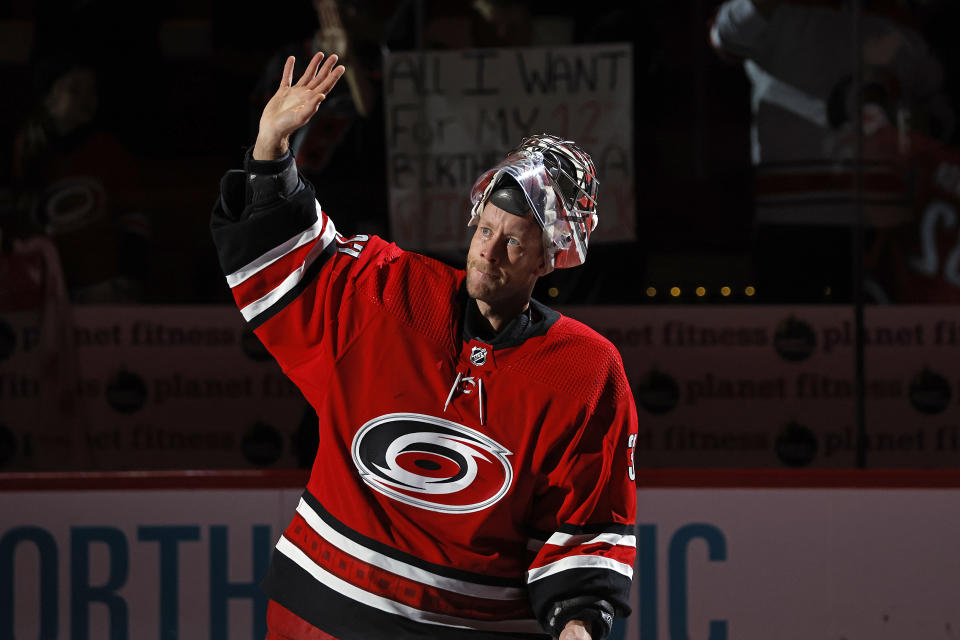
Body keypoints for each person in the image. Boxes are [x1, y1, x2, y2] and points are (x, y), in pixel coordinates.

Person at [211, 52, 638, 640]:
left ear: (549, 258)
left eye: (514, 242)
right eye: (485, 230)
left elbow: (583, 522)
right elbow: (291, 243)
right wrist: (270, 149)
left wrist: (578, 623)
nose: (489, 252)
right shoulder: (391, 294)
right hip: (322, 615)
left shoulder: (584, 371)